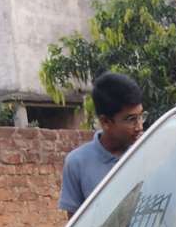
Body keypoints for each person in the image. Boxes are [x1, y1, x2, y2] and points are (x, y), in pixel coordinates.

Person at [59, 72, 146, 217]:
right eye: (131, 119)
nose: (139, 126)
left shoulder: (148, 150)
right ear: (105, 122)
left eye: (141, 116)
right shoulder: (77, 163)